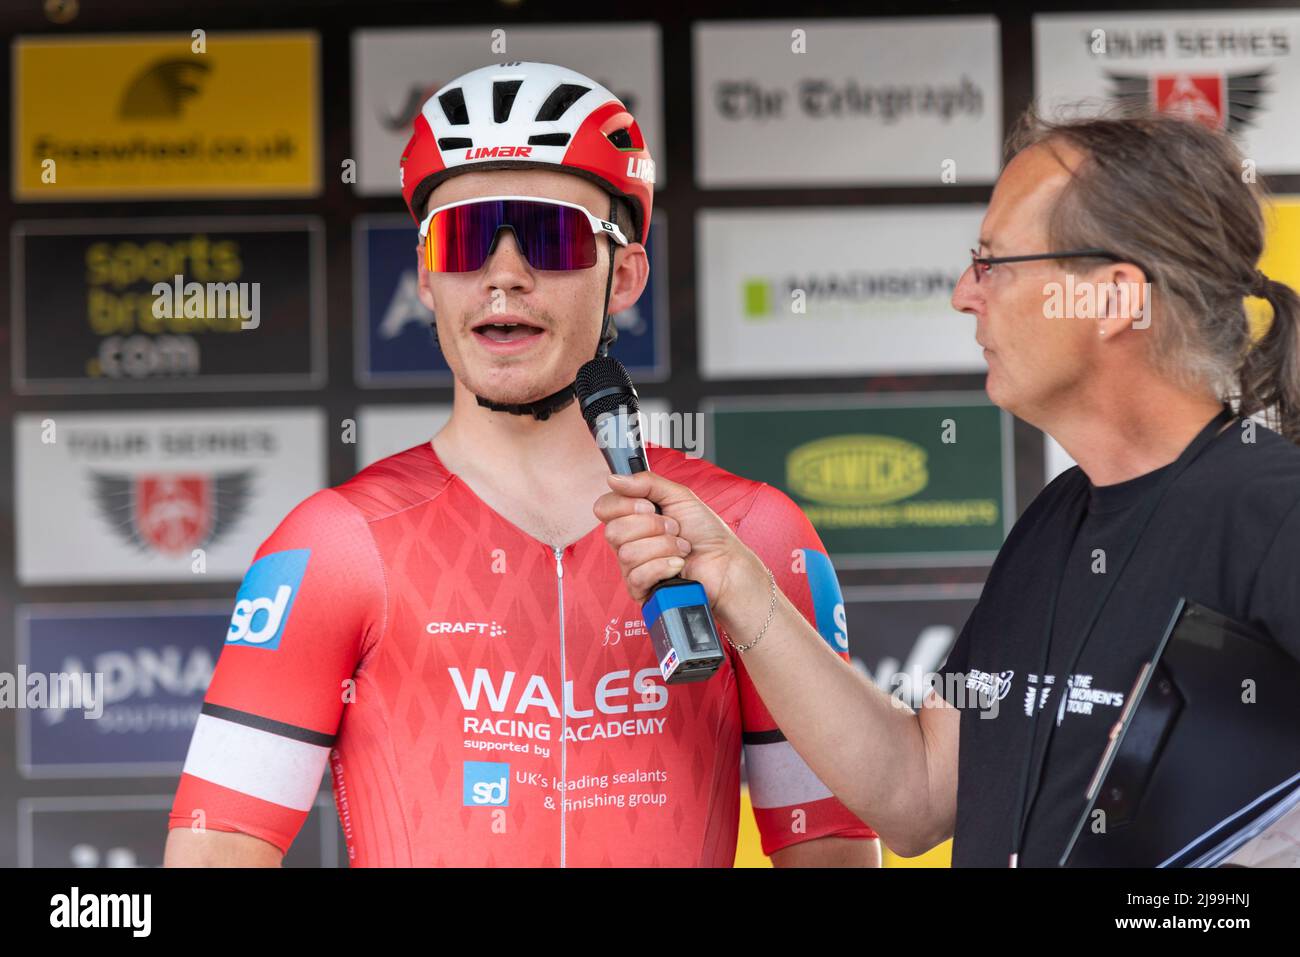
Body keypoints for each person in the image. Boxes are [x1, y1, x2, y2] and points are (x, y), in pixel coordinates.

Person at [163, 61, 879, 867]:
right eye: (466, 238)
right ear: (428, 278)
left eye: (551, 236)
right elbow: (214, 856)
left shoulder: (753, 535)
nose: (505, 274)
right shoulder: (334, 546)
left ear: (626, 277)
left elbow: (833, 855)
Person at [595, 108, 1300, 867]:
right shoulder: (1058, 521)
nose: (966, 292)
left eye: (995, 262)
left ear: (1114, 296)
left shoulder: (1274, 510)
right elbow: (918, 792)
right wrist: (740, 585)